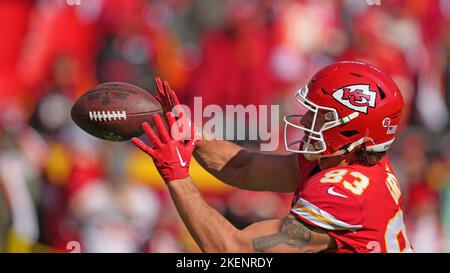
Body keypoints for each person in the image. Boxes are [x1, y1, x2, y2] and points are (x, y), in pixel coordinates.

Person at [132, 62, 413, 253]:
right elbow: (245, 167)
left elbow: (234, 249)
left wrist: (177, 177)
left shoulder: (343, 194)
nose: (304, 120)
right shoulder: (343, 160)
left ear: (352, 129)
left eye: (319, 116)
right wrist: (192, 136)